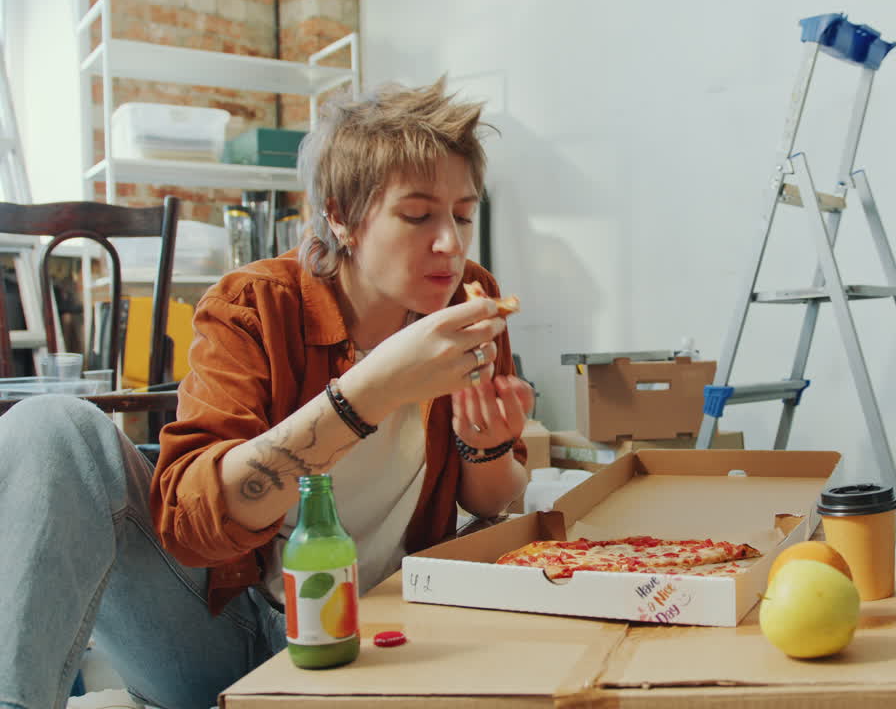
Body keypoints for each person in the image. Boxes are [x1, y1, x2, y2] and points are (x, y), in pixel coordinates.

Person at [0, 78, 534, 709]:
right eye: (417, 215)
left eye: (463, 214)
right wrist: (372, 389)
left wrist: (485, 447)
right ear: (341, 216)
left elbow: (493, 496)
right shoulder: (254, 305)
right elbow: (190, 529)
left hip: (382, 627)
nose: (450, 241)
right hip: (234, 624)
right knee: (50, 428)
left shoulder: (467, 299)